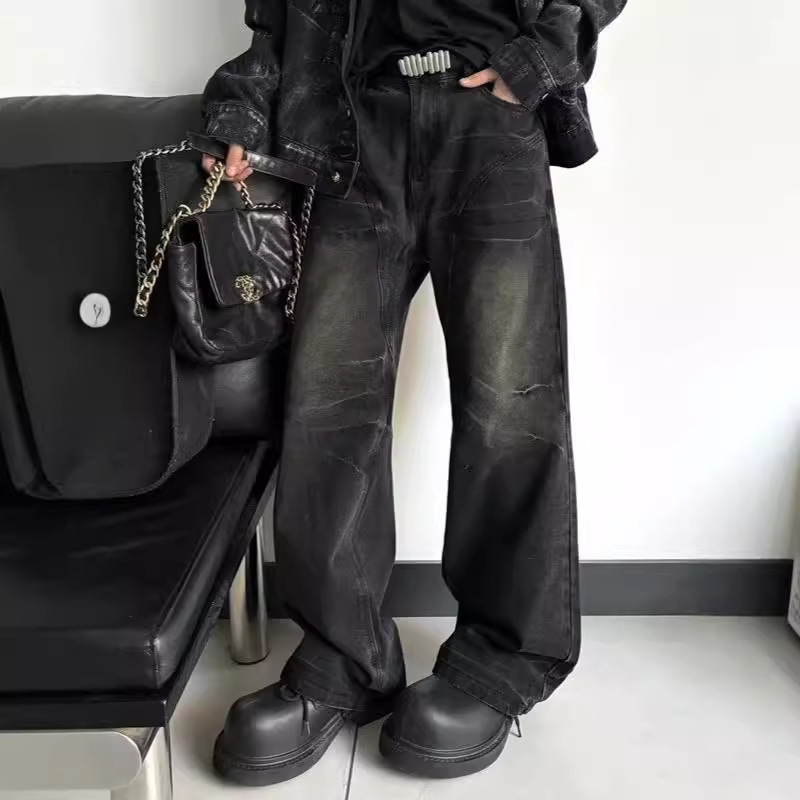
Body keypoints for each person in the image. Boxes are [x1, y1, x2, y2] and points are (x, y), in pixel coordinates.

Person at [203, 0, 626, 785]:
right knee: (326, 406)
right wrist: (246, 108)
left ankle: (501, 658)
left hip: (491, 121)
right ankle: (342, 658)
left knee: (510, 407)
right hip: (351, 124)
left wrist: (537, 61)